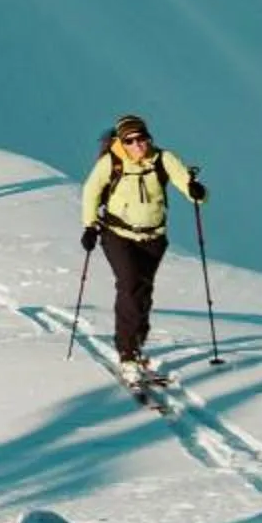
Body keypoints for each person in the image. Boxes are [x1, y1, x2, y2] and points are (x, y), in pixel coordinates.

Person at [79, 112, 208, 384]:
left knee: (143, 290)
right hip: (118, 235)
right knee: (129, 286)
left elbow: (185, 181)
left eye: (142, 138)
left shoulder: (163, 159)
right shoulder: (111, 162)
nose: (137, 145)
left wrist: (196, 192)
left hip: (154, 238)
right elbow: (91, 192)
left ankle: (137, 341)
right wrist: (90, 226)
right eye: (130, 140)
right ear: (121, 142)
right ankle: (127, 353)